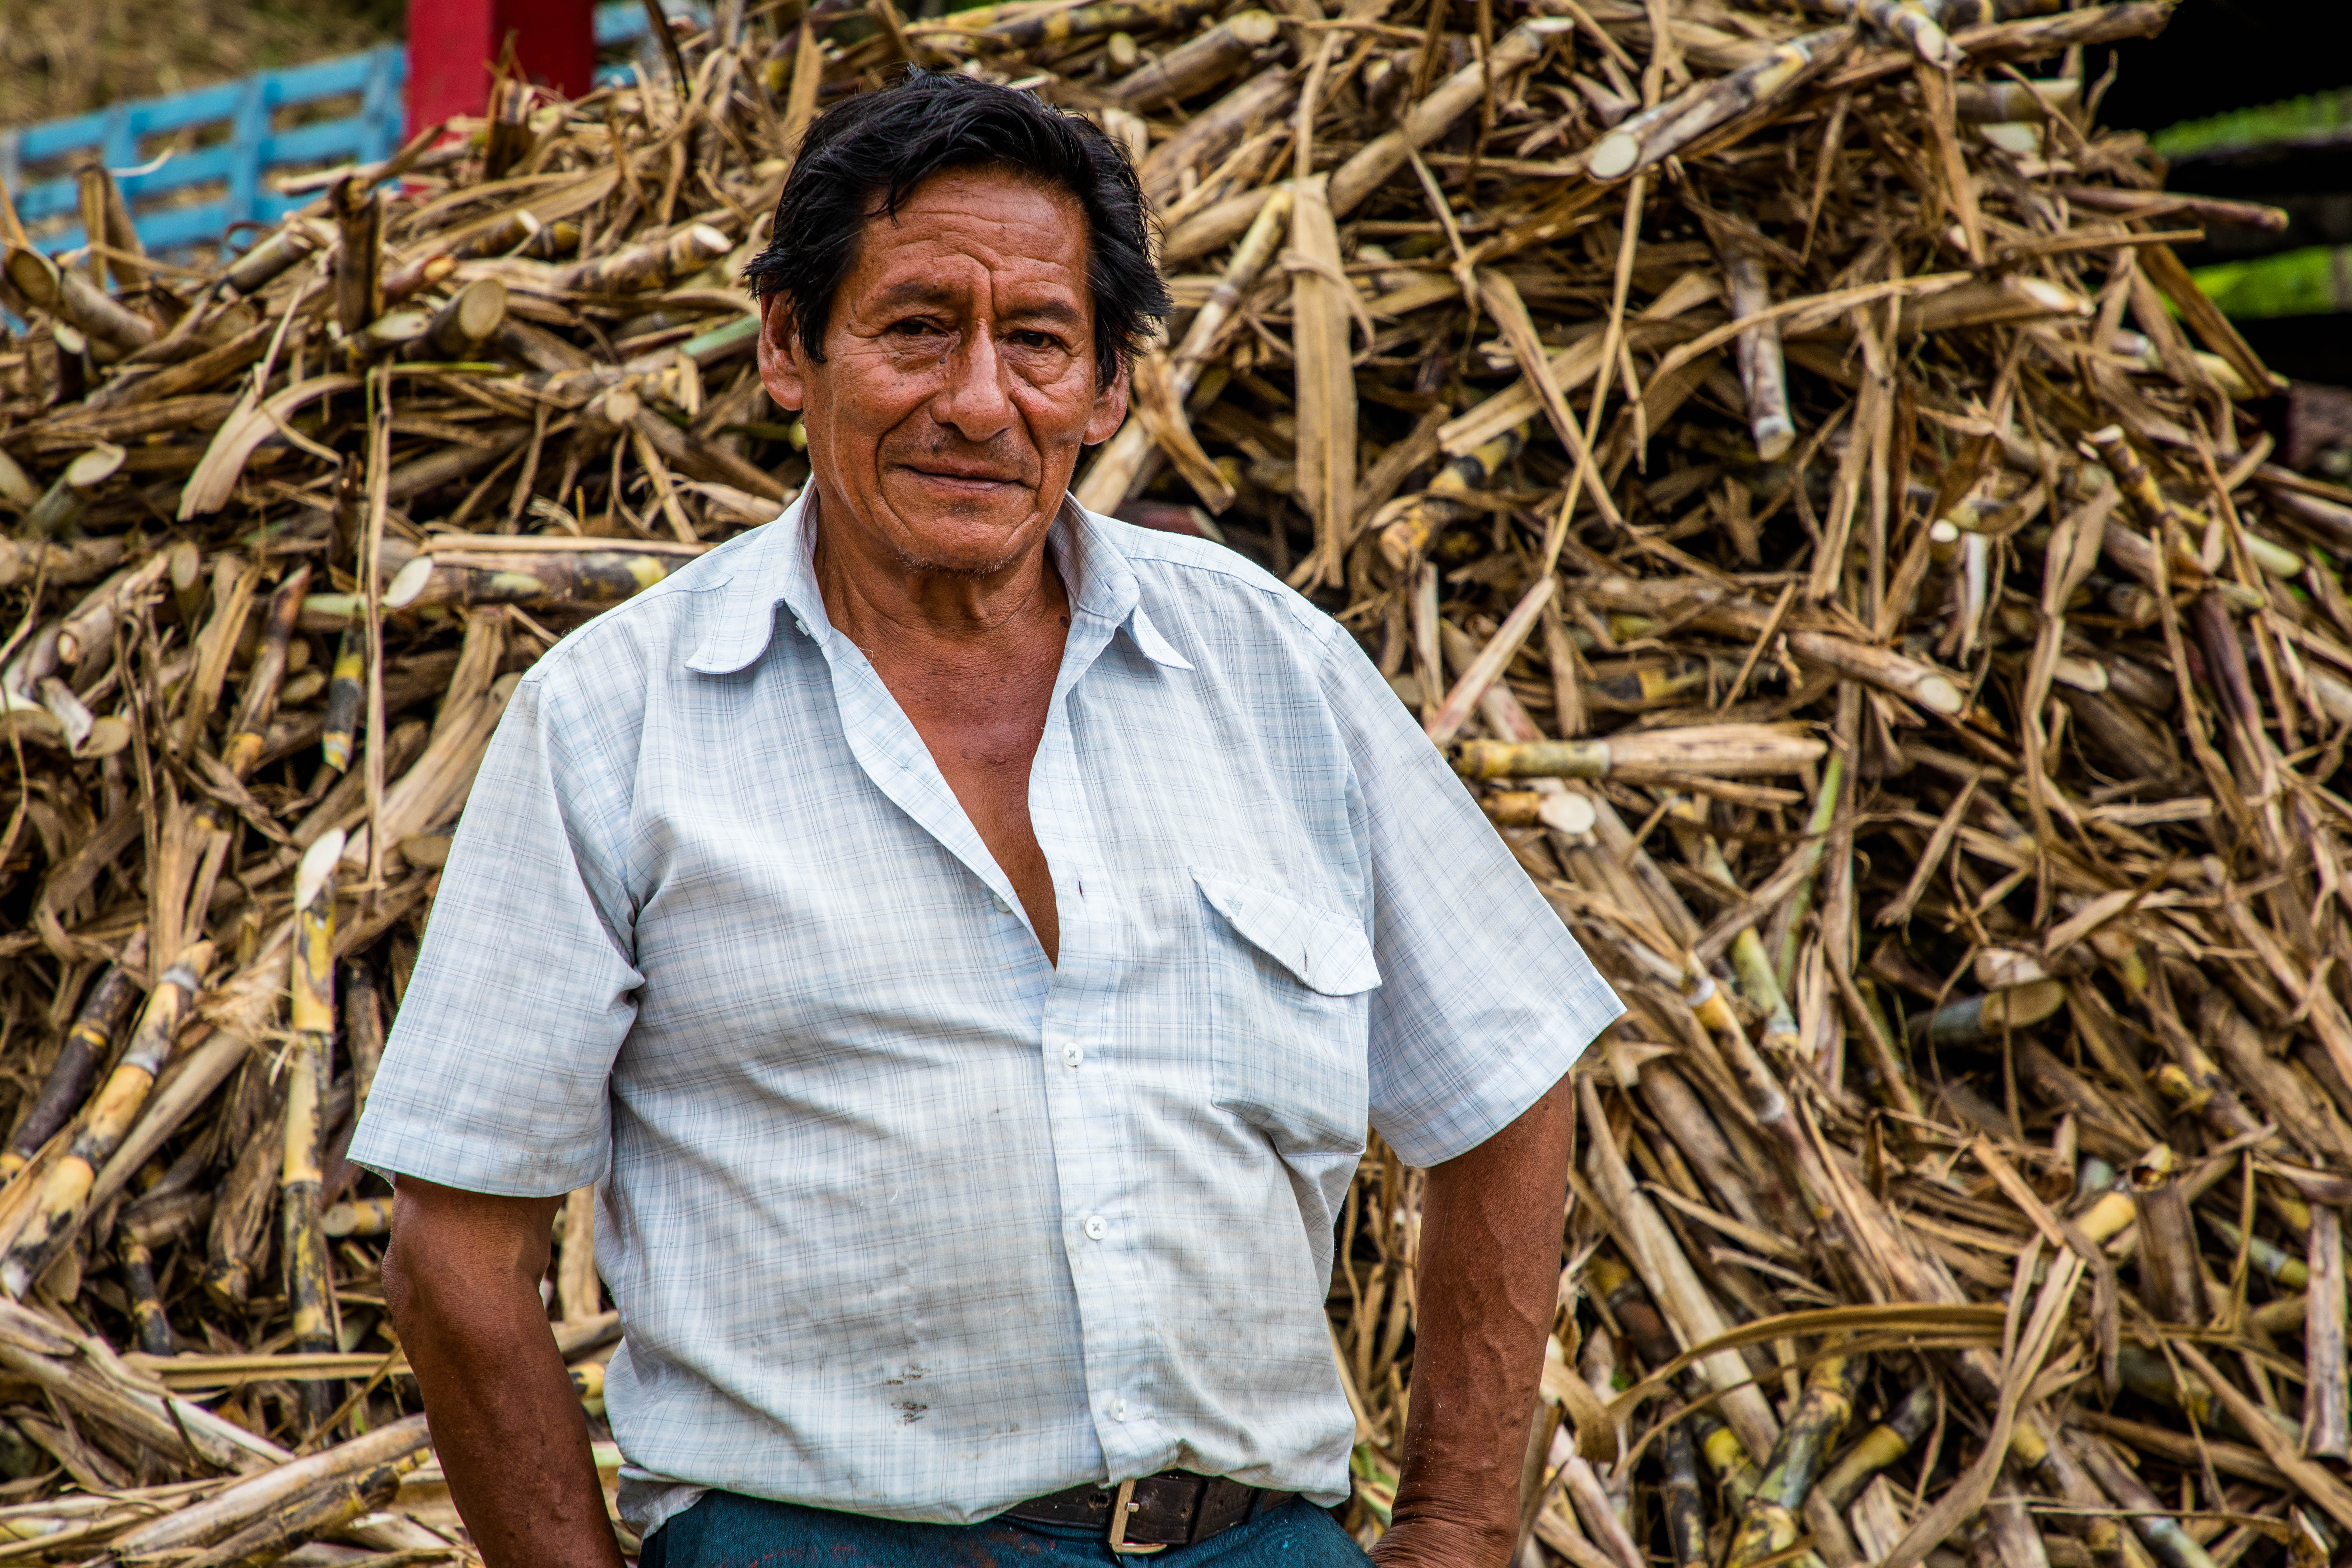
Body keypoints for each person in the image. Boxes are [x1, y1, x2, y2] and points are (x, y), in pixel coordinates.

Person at [353, 69, 1621, 1568]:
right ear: (786, 347)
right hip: (821, 1546)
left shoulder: (1270, 668)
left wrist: (1465, 1518)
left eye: (1036, 342)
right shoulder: (616, 719)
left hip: (1257, 1546)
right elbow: (457, 1252)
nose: (977, 400)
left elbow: (1507, 1073)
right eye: (913, 329)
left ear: (1104, 392)